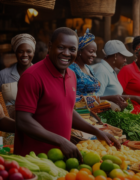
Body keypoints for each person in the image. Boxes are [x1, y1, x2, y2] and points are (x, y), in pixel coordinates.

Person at [14, 27, 120, 159]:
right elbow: (23, 121)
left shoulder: (71, 75)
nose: (66, 53)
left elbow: (67, 110)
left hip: (61, 158)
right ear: (50, 46)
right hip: (34, 159)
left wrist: (97, 131)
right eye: (61, 47)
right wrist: (62, 141)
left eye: (72, 49)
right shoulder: (32, 76)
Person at [91, 40, 140, 105]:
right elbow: (94, 99)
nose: (125, 60)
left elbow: (113, 95)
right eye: (123, 57)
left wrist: (132, 97)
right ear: (115, 55)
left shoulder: (111, 70)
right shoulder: (101, 71)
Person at [0, 34, 35, 106]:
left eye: (29, 51)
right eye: (20, 51)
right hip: (8, 117)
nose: (25, 54)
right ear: (15, 53)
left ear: (33, 53)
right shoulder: (3, 75)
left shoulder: (40, 74)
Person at [69, 29, 101, 96]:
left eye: (95, 52)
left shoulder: (88, 68)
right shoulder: (71, 69)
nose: (95, 55)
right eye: (91, 51)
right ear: (79, 51)